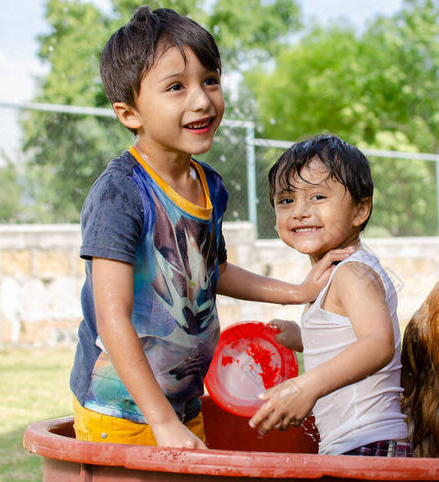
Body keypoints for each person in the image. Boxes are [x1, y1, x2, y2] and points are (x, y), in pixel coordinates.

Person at [69, 7, 352, 450]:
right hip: (122, 413)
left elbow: (210, 271)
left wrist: (297, 291)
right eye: (176, 87)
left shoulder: (209, 186)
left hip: (184, 405)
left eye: (210, 80)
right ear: (129, 113)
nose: (201, 100)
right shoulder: (121, 194)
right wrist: (160, 422)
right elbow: (112, 319)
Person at [248, 134, 411, 457]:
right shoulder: (333, 274)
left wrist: (307, 386)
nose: (299, 211)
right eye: (286, 200)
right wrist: (300, 337)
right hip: (356, 442)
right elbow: (348, 340)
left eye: (318, 196)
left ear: (359, 210)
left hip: (367, 442)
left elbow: (377, 344)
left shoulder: (352, 273)